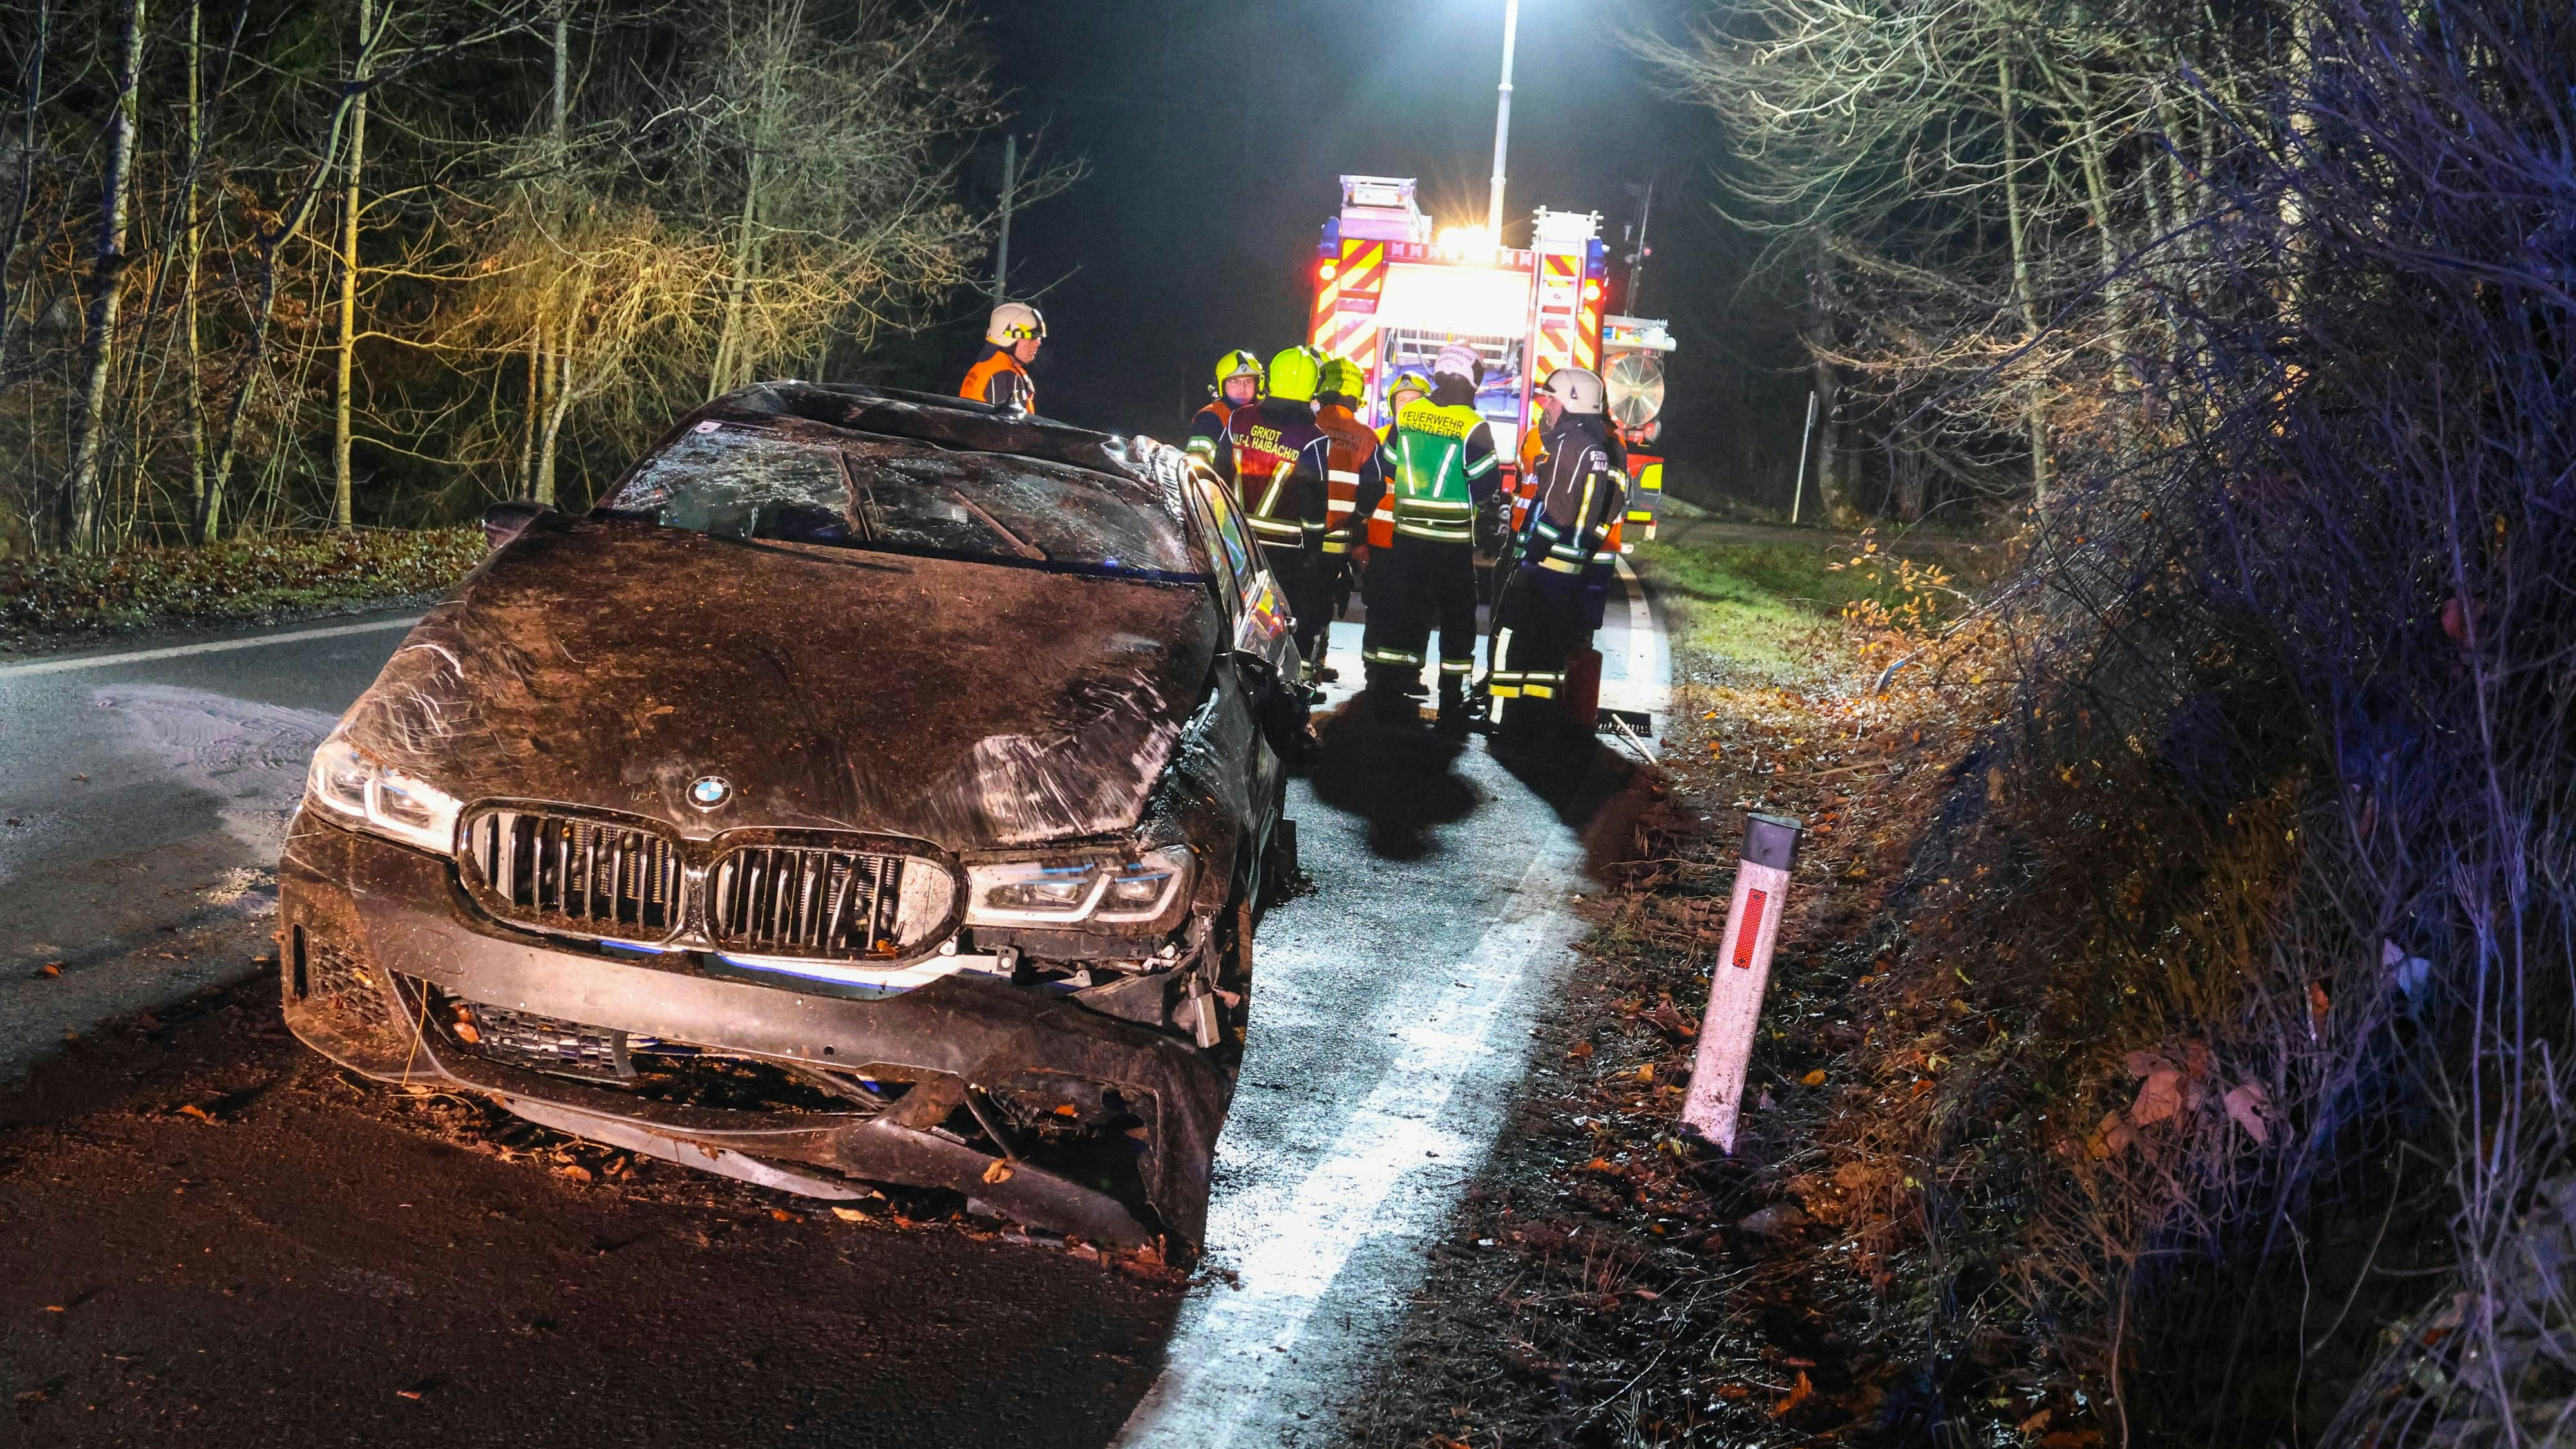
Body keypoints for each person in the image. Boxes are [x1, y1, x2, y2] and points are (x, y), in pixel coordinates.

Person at [1356, 343, 1498, 735]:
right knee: (1457, 622)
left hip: (1405, 540)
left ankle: (1388, 693)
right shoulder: (1473, 426)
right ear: (1471, 380)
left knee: (1404, 614)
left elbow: (1386, 466)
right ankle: (1453, 703)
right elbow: (1487, 487)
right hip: (1450, 545)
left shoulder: (1408, 416)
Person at [1490, 366, 1627, 747]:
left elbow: (1558, 512)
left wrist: (1533, 553)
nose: (1544, 405)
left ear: (1570, 402)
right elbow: (1607, 505)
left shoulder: (1573, 444)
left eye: (1550, 398)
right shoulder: (1598, 446)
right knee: (1548, 648)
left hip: (1548, 564)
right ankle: (1536, 720)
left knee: (1513, 637)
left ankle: (1501, 717)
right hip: (1569, 566)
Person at [1219, 345, 1334, 684]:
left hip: (1234, 539)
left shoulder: (1239, 420)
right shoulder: (1313, 440)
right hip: (1284, 551)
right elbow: (1314, 501)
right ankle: (1276, 687)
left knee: (1232, 615)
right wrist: (1314, 547)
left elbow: (1218, 471)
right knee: (1278, 622)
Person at [1303, 357, 1391, 683]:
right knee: (1321, 602)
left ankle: (1291, 666)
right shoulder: (1366, 436)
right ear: (1356, 394)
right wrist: (1359, 526)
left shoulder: (1306, 425)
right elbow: (1374, 488)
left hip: (1299, 535)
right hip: (1338, 539)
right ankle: (1311, 667)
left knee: (1295, 599)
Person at [960, 301, 1045, 412]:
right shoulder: (1004, 376)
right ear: (1009, 339)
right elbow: (1008, 427)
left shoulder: (985, 367)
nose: (1038, 343)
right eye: (1032, 337)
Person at [1190, 351, 1265, 467]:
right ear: (1221, 385)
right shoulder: (1210, 418)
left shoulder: (1266, 415)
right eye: (1234, 382)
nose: (1242, 389)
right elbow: (1197, 466)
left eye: (1248, 381)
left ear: (1258, 384)